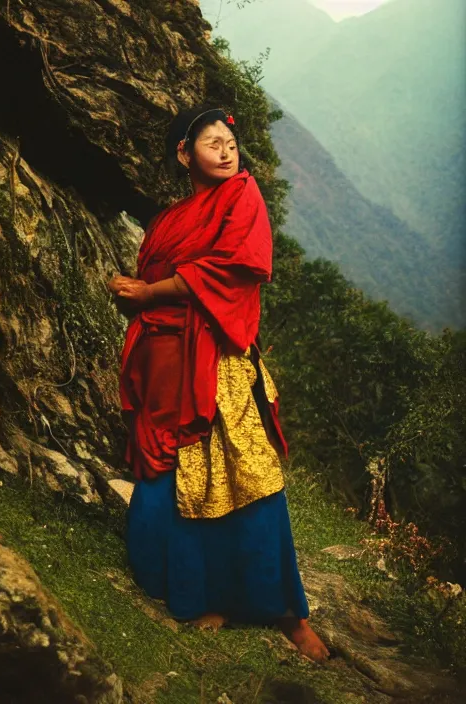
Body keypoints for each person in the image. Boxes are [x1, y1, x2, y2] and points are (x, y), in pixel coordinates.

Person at [108, 107, 330, 662]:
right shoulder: (168, 220)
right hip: (169, 360)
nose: (228, 152)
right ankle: (207, 596)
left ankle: (286, 613)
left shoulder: (243, 196)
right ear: (186, 154)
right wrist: (132, 290)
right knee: (185, 479)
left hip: (221, 361)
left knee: (249, 477)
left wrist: (151, 293)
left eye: (231, 142)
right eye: (213, 143)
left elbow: (236, 266)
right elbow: (152, 272)